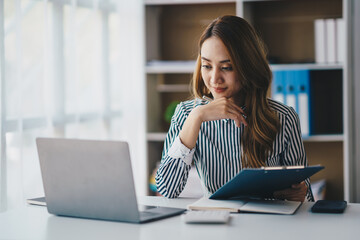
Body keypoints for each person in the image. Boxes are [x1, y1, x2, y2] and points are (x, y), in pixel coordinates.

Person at [155, 15, 313, 202]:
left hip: (269, 226)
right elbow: (167, 189)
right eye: (207, 66)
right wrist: (196, 117)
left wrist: (299, 193)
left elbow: (306, 196)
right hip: (217, 225)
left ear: (248, 66)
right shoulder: (187, 115)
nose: (214, 79)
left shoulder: (284, 117)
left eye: (227, 67)